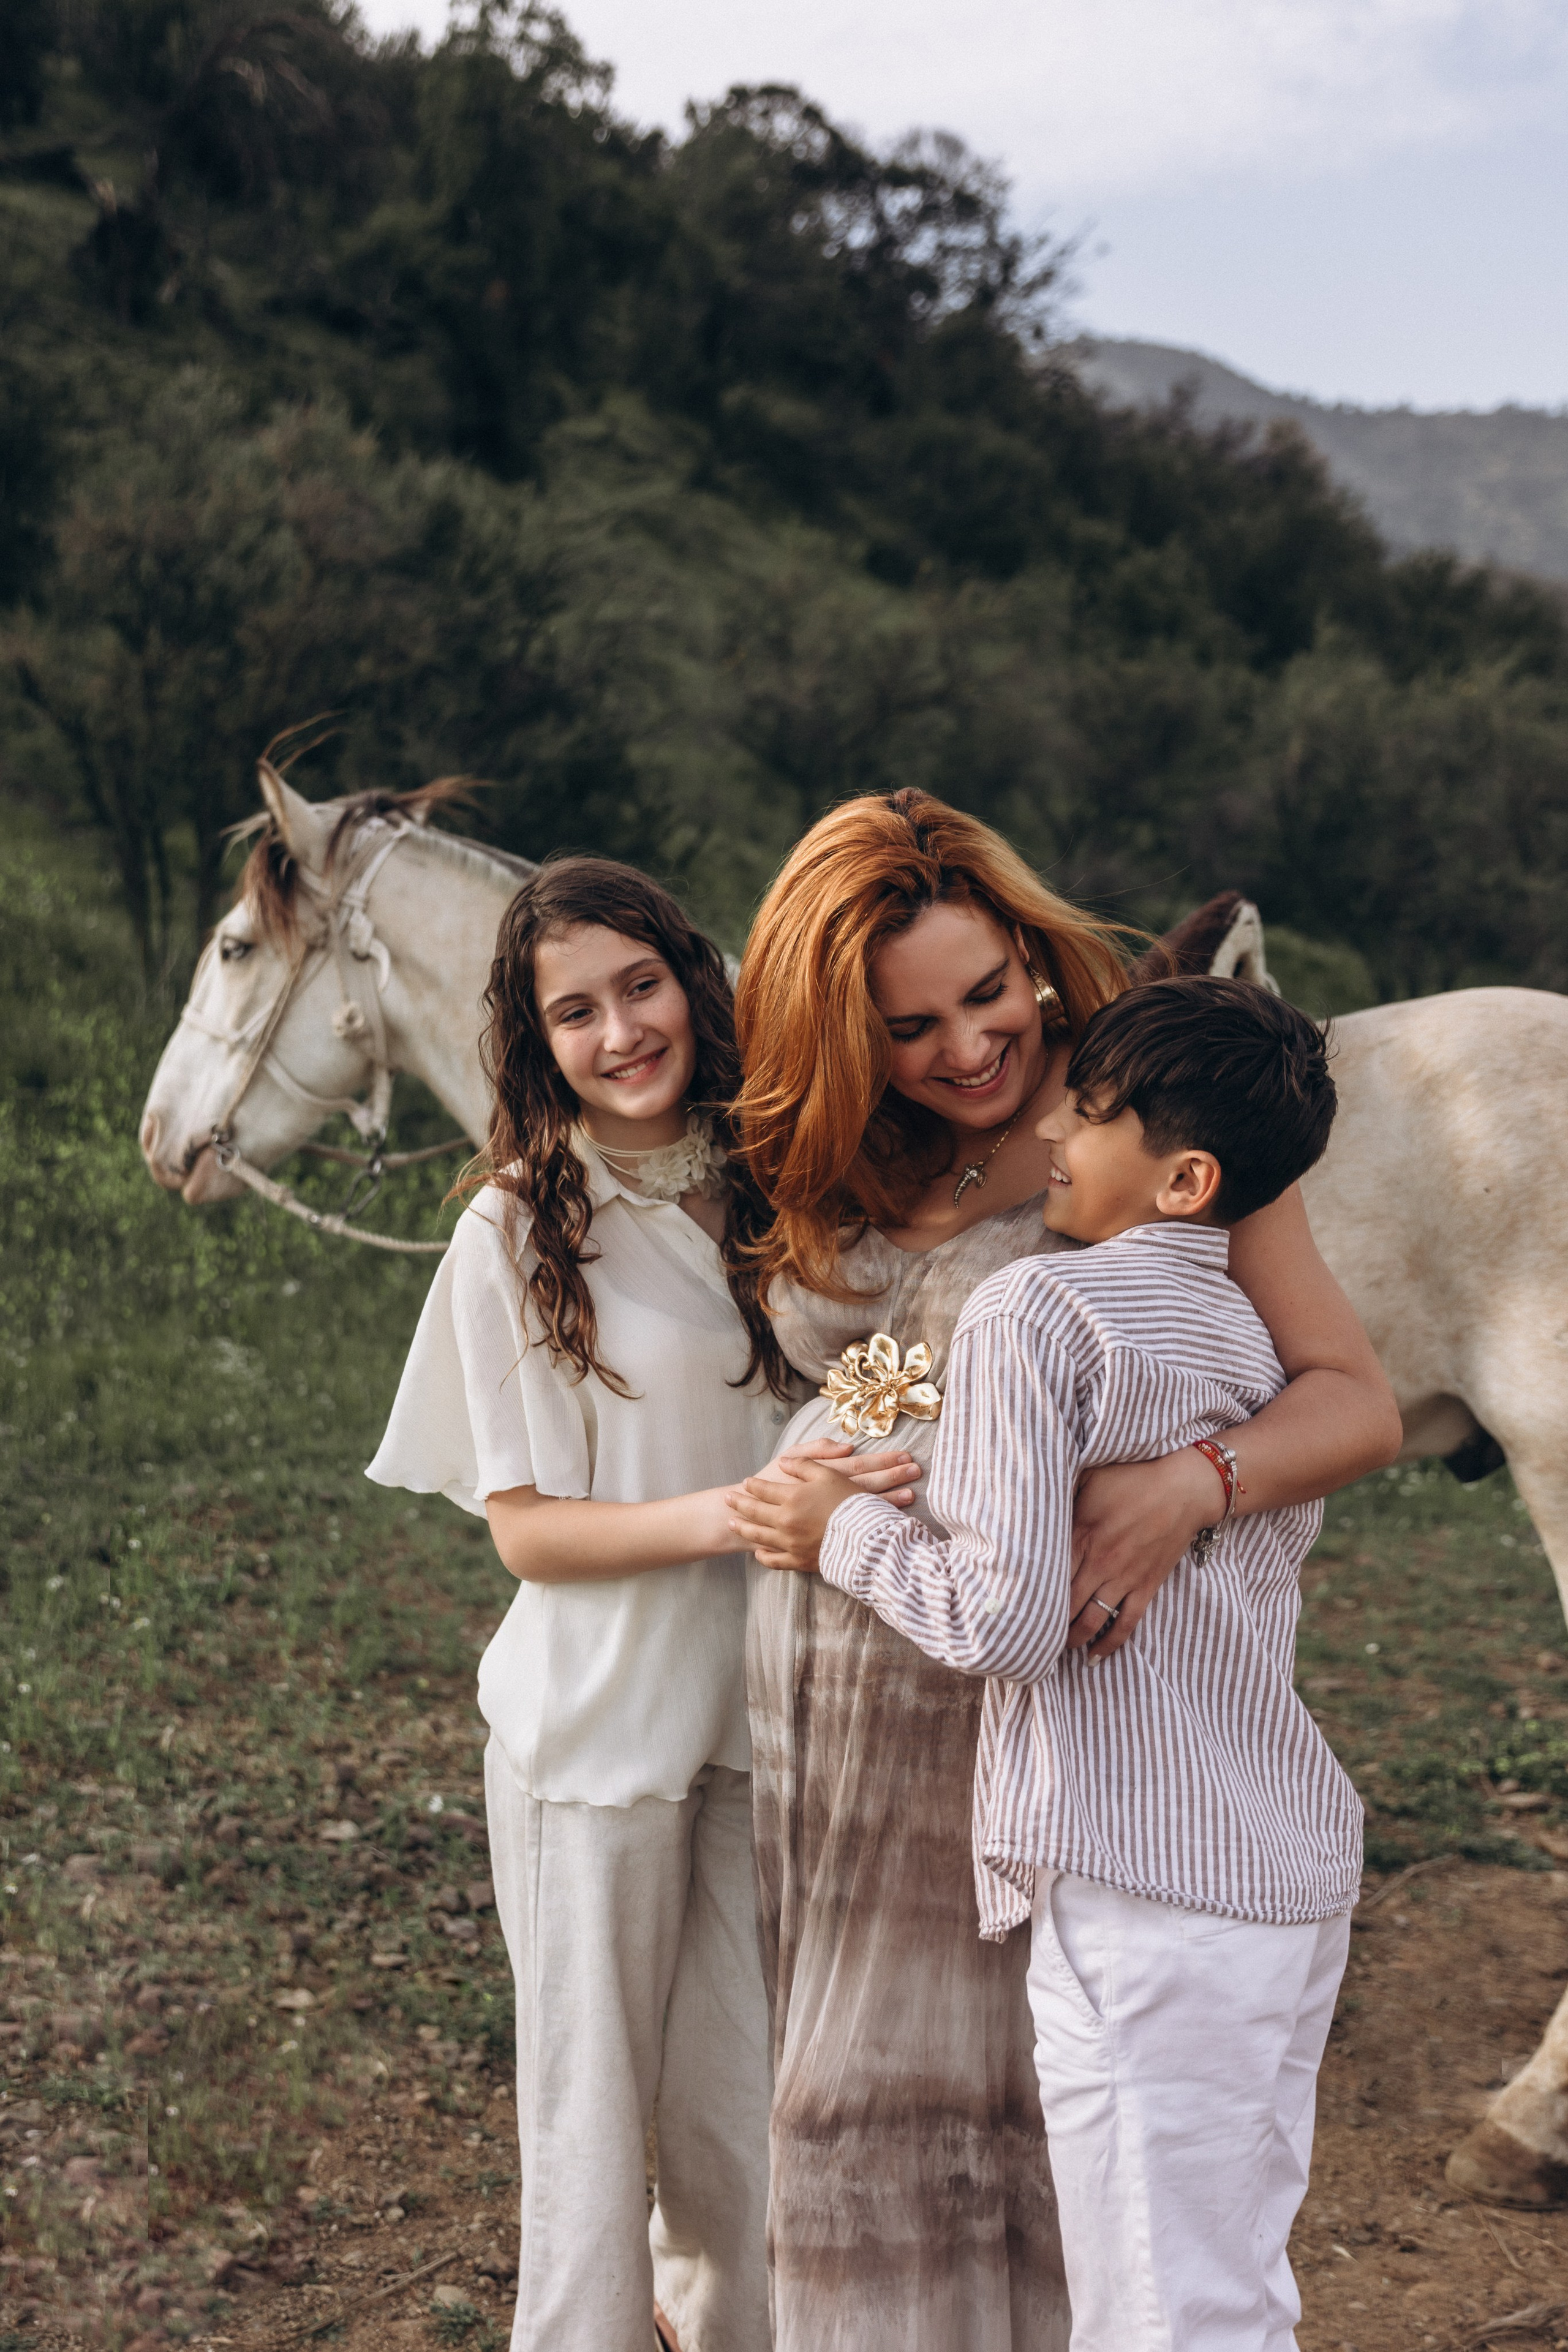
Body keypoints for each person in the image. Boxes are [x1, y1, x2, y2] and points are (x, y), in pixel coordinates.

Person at [728, 789, 1401, 2351]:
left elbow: (1348, 1400)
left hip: (1032, 1703)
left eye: (988, 993)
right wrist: (810, 1480)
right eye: (910, 1027)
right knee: (861, 2111)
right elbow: (903, 1366)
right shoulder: (864, 1149)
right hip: (845, 1708)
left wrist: (1193, 1484)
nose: (969, 1050)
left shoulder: (1154, 1108)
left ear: (1037, 958)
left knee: (1070, 2155)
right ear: (850, 1037)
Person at [364, 856, 915, 2352]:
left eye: (639, 986)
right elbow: (528, 1536)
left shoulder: (779, 1176)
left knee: (752, 2125)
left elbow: (864, 1368)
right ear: (535, 1041)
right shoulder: (514, 1233)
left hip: (767, 1718)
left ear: (690, 980)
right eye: (574, 1011)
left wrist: (883, 1432)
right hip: (595, 1736)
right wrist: (743, 1516)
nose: (618, 1032)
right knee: (594, 2142)